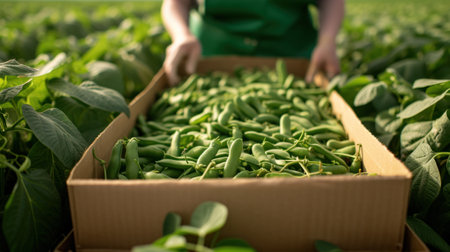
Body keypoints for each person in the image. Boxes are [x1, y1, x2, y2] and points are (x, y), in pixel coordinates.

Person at [161, 0, 344, 86]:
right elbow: (176, 2)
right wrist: (182, 35)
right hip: (212, 56)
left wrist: (327, 41)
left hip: (291, 59)